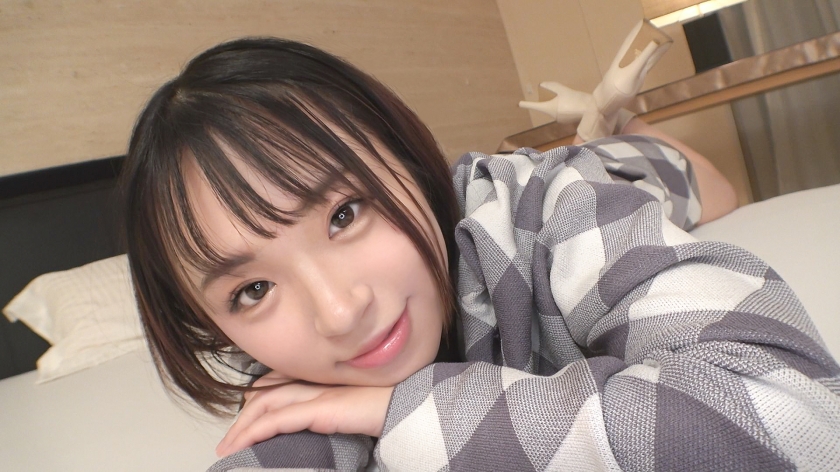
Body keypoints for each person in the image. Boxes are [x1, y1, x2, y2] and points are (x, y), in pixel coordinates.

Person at [121, 36, 840, 472]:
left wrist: (406, 409)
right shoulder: (283, 386)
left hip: (633, 173)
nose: (338, 313)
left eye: (344, 213)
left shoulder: (552, 207)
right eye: (251, 291)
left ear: (406, 157)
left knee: (694, 177)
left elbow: (797, 416)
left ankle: (617, 127)